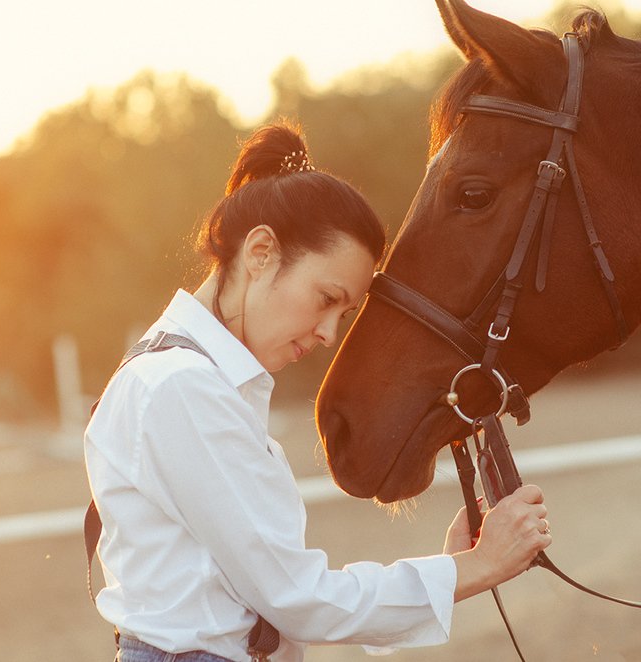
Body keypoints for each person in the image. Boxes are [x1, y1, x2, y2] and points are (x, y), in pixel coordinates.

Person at [84, 122, 552, 662]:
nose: (330, 334)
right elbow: (297, 599)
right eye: (327, 298)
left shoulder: (182, 375)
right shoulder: (182, 387)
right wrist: (474, 567)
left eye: (343, 314)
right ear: (261, 252)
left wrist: (452, 566)